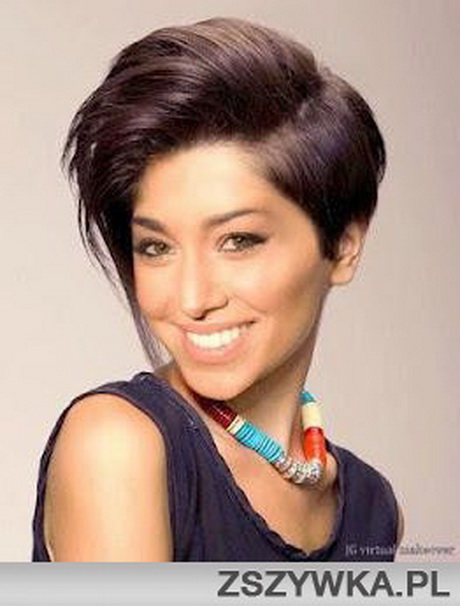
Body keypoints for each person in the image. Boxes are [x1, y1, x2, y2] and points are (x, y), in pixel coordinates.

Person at [32, 16, 404, 562]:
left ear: (344, 246)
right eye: (156, 247)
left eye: (238, 240)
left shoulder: (374, 509)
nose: (192, 299)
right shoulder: (117, 445)